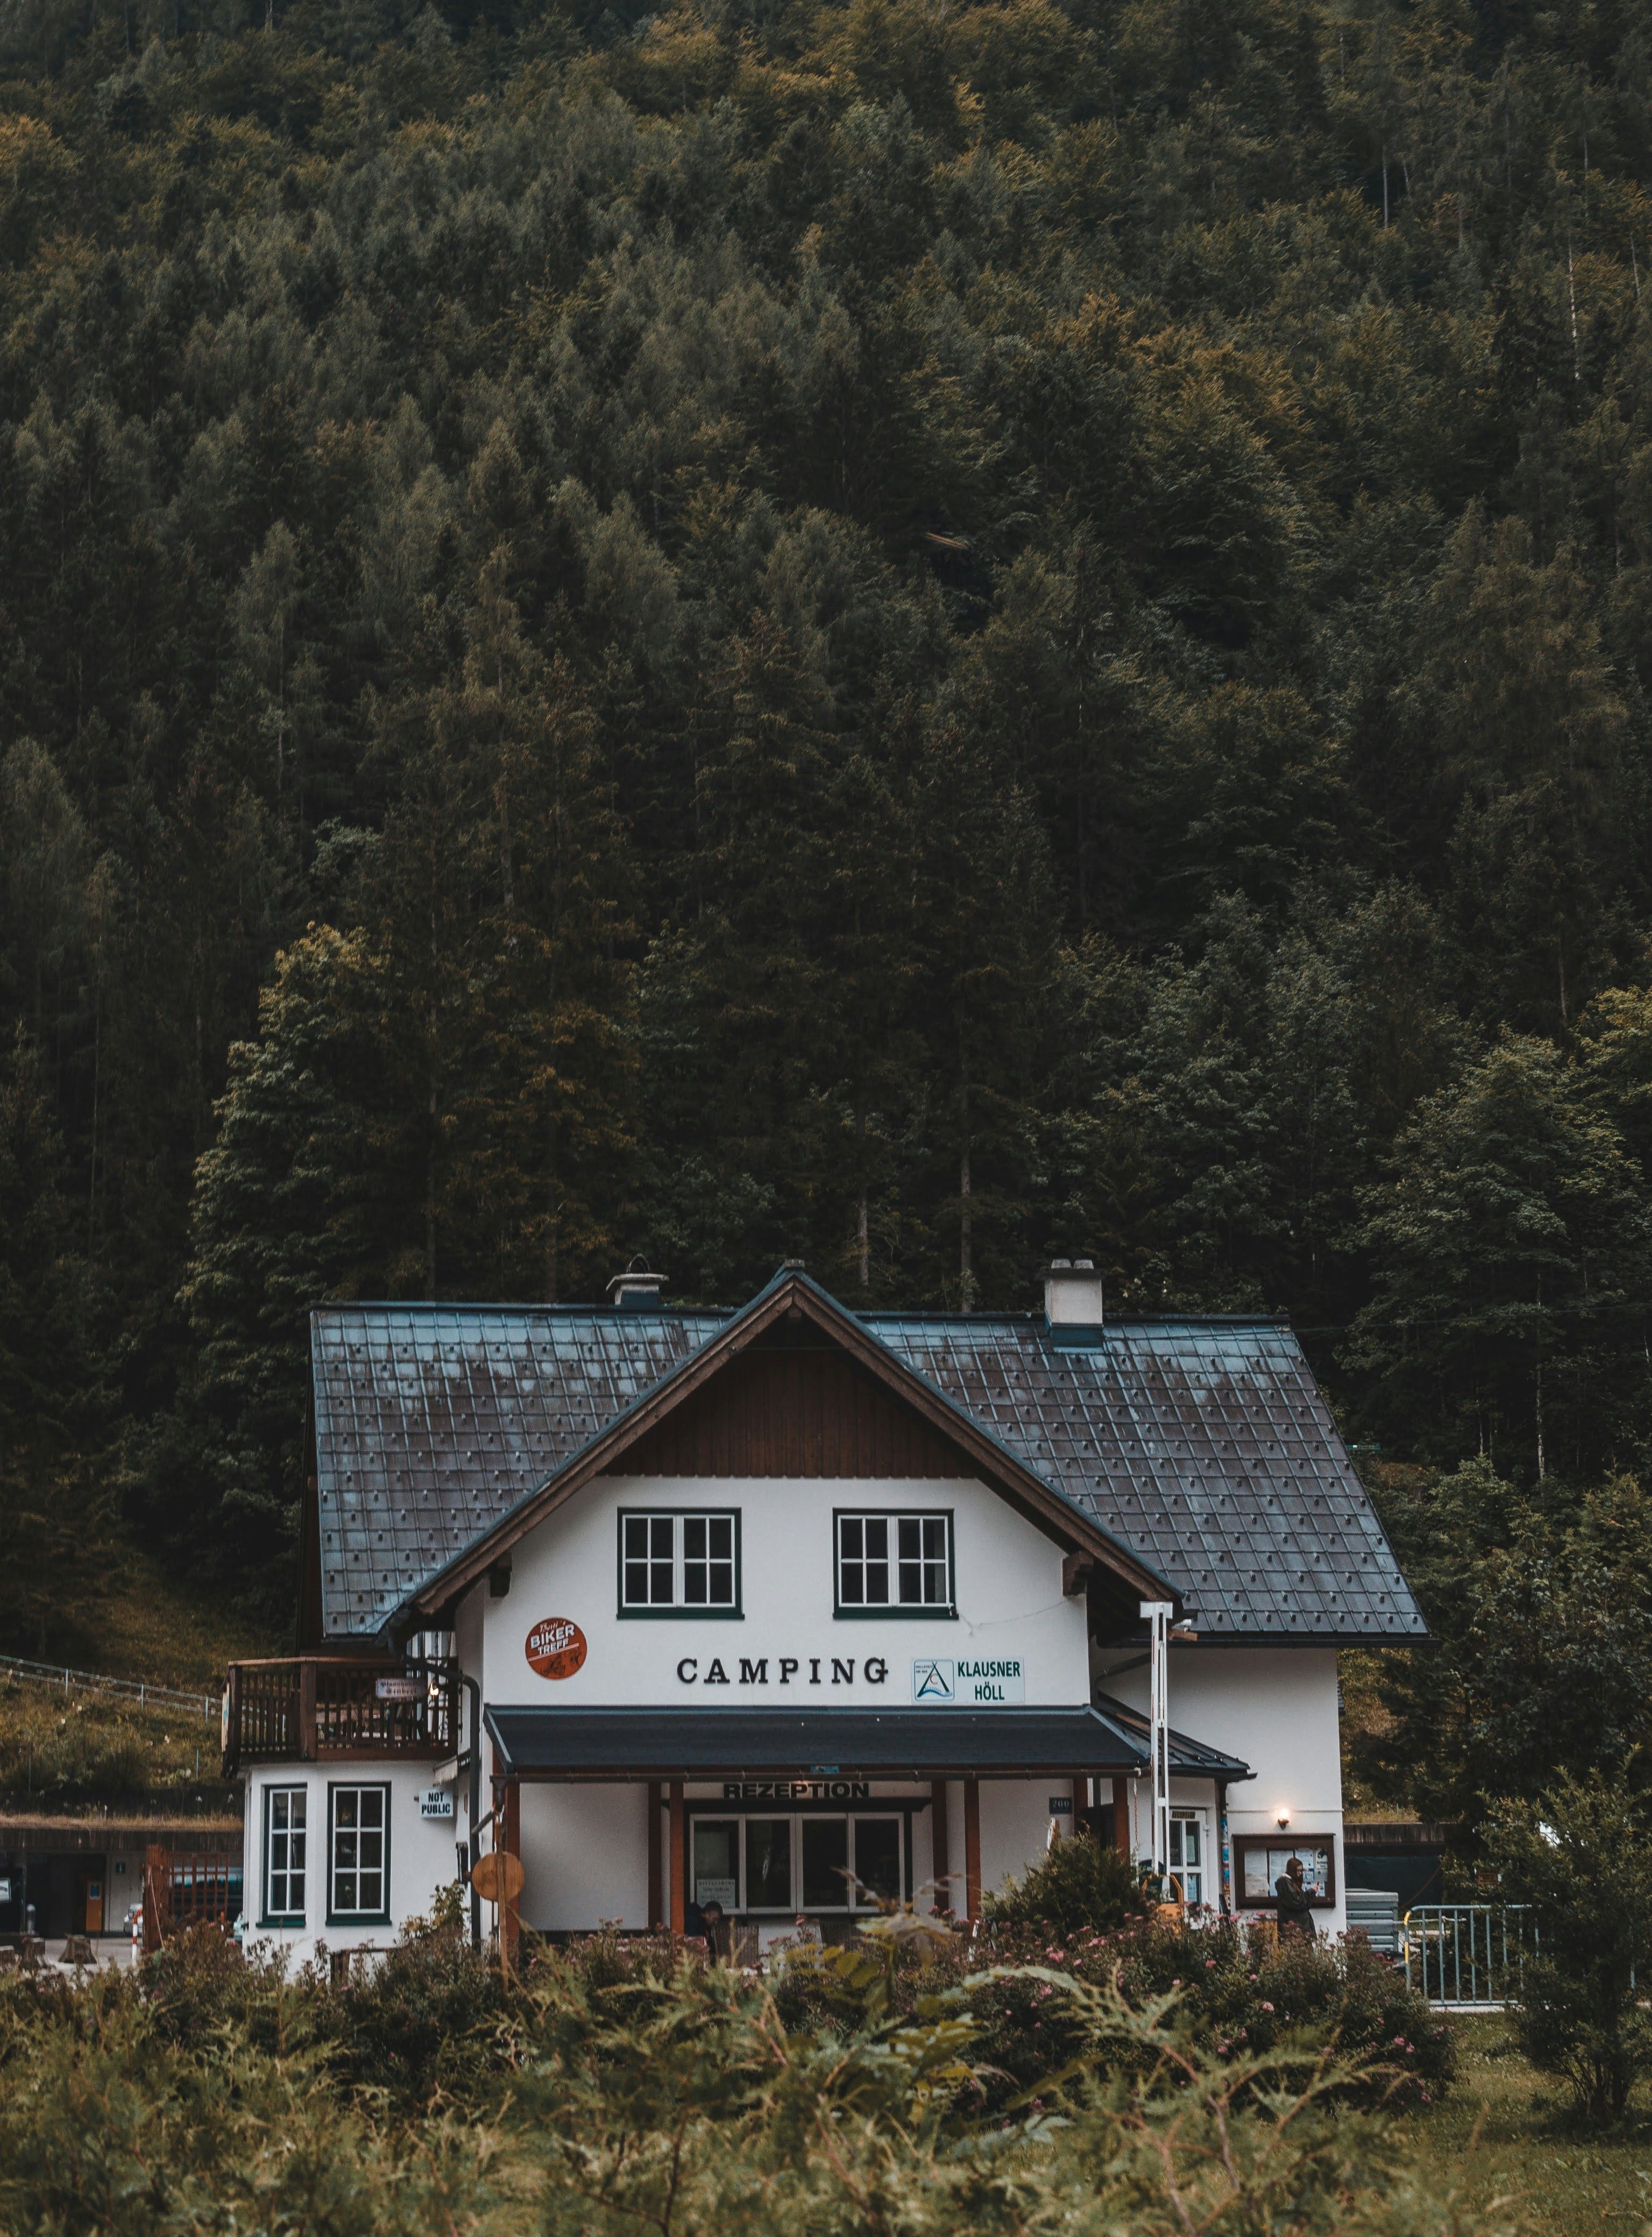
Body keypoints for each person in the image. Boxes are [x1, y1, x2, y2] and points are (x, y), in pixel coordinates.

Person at [1274, 1854, 1317, 1941]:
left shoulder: (1291, 1882)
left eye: (1301, 1871)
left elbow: (1301, 1902)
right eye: (1298, 1871)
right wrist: (1310, 1893)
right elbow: (1296, 1902)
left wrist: (1310, 1893)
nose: (1300, 1873)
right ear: (1292, 1870)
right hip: (1294, 1926)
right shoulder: (1285, 1882)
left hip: (1299, 1926)